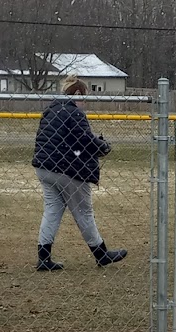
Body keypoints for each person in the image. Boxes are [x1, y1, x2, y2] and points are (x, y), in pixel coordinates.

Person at [32, 77, 125, 270]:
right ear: (76, 94)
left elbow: (66, 139)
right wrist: (103, 147)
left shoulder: (52, 109)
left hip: (44, 167)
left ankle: (44, 256)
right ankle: (101, 253)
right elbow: (85, 140)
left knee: (52, 209)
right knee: (83, 212)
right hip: (66, 170)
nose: (85, 103)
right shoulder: (73, 113)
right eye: (84, 98)